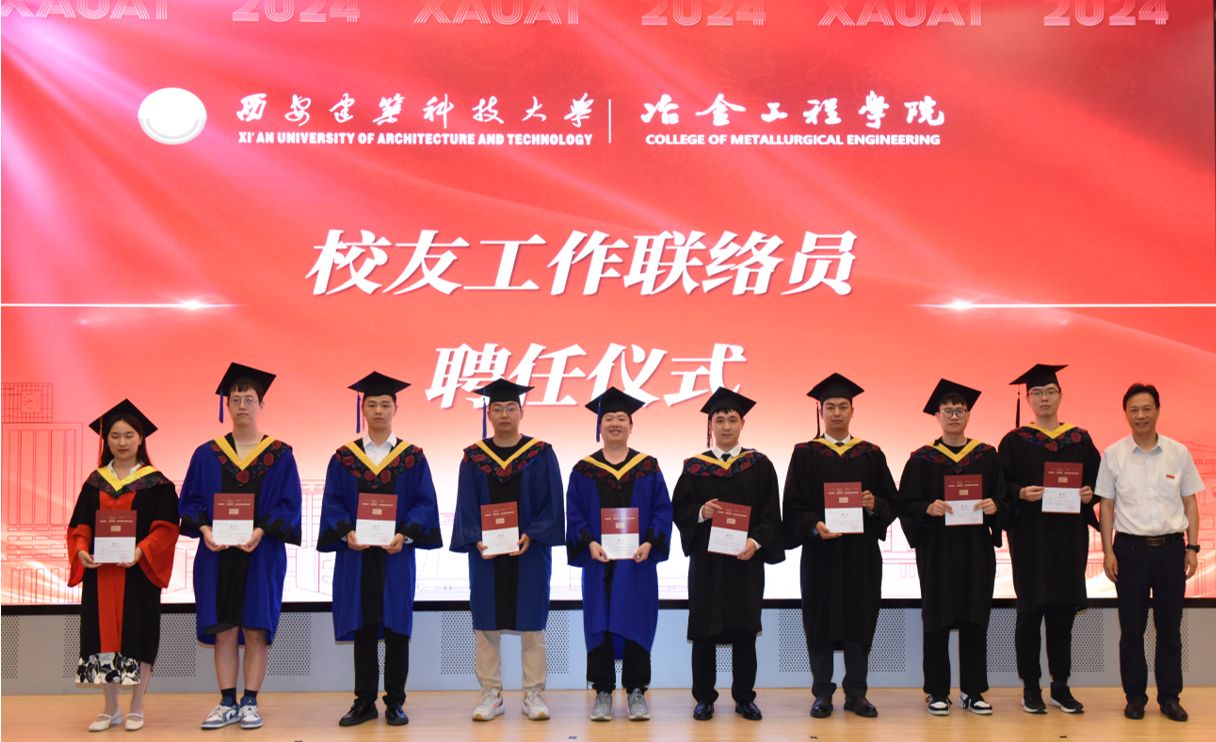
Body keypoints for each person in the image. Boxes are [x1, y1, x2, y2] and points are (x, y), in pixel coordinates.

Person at [179, 363, 302, 730]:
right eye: (236, 399)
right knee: (224, 630)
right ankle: (226, 701)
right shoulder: (206, 454)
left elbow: (289, 504)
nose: (243, 405)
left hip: (260, 553)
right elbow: (190, 500)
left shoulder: (280, 455)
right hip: (216, 555)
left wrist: (261, 530)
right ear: (227, 406)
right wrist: (204, 529)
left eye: (250, 399)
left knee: (255, 629)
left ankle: (250, 702)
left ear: (261, 405)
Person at [318, 372, 443, 727]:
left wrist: (404, 533)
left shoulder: (412, 458)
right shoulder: (344, 458)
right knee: (364, 628)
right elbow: (333, 501)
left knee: (397, 628)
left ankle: (396, 702)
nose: (378, 410)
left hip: (395, 554)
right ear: (363, 409)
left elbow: (424, 502)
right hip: (357, 555)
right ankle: (364, 702)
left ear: (395, 409)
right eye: (371, 404)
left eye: (384, 404)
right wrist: (346, 532)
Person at [782, 373, 896, 719]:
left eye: (842, 407)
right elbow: (793, 505)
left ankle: (857, 693)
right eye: (829, 407)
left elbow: (893, 502)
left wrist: (874, 504)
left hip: (861, 554)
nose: (836, 413)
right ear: (821, 411)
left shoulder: (871, 454)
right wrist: (813, 525)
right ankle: (822, 693)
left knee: (859, 619)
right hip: (821, 553)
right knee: (819, 620)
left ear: (852, 411)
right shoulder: (805, 454)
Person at [449, 378, 565, 722]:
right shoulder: (474, 457)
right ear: (488, 413)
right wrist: (475, 537)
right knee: (486, 625)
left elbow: (552, 503)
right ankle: (492, 693)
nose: (503, 414)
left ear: (521, 412)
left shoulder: (540, 454)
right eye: (497, 408)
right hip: (486, 553)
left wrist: (533, 533)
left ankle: (534, 693)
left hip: (530, 552)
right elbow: (466, 503)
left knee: (533, 625)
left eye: (510, 408)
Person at [895, 379, 1008, 716]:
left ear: (968, 414)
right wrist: (925, 508)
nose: (954, 415)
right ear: (938, 416)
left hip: (976, 549)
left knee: (976, 617)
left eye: (960, 410)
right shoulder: (922, 459)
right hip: (937, 549)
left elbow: (1005, 496)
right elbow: (906, 503)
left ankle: (973, 691)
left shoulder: (987, 456)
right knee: (937, 618)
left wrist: (996, 506)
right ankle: (937, 691)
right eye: (948, 410)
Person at [671, 387, 784, 722]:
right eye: (719, 420)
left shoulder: (759, 465)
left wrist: (756, 542)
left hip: (744, 561)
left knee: (744, 630)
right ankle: (704, 697)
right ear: (711, 425)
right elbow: (679, 509)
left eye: (732, 419)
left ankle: (744, 697)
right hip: (706, 562)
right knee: (704, 631)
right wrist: (700, 512)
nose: (725, 426)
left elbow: (770, 513)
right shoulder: (694, 468)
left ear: (742, 424)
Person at [68, 400, 179, 733]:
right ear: (106, 440)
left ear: (141, 438)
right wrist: (81, 550)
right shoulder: (94, 483)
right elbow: (80, 526)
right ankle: (110, 708)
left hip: (138, 574)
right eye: (115, 435)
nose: (121, 442)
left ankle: (137, 707)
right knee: (101, 637)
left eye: (129, 435)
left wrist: (142, 550)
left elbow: (166, 528)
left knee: (138, 635)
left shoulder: (157, 484)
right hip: (102, 573)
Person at [1096, 383, 1204, 723]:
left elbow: (1190, 502)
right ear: (1125, 414)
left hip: (1172, 550)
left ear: (1157, 410)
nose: (1140, 415)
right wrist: (1108, 551)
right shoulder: (1113, 455)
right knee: (1132, 630)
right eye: (1134, 410)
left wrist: (1192, 546)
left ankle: (1170, 697)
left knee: (1169, 628)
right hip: (1129, 551)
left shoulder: (1178, 452)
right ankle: (1135, 697)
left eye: (1146, 408)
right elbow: (1106, 506)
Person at [565, 387, 673, 722]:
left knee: (637, 620)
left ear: (631, 425)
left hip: (637, 563)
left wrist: (650, 542)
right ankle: (602, 692)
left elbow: (662, 510)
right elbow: (574, 513)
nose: (615, 423)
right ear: (600, 425)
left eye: (621, 418)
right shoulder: (583, 470)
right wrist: (588, 542)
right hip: (599, 563)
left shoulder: (648, 467)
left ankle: (636, 691)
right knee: (598, 623)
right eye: (609, 418)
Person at [998, 364, 1101, 715]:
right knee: (1029, 614)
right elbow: (1000, 486)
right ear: (1028, 399)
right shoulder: (1015, 441)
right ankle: (1031, 687)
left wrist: (1090, 493)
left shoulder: (1080, 440)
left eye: (1050, 392)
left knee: (1063, 614)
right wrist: (1019, 492)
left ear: (1060, 395)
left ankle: (1060, 686)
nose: (1044, 398)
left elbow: (1099, 482)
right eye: (1037, 393)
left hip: (1069, 539)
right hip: (1031, 538)